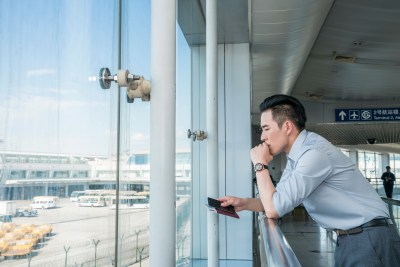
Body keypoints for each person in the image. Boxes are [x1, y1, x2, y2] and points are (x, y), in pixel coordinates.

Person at [219, 94, 400, 266]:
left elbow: (274, 210)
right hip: (352, 237)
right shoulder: (297, 156)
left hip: (369, 237)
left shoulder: (313, 153)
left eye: (266, 129)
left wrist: (260, 164)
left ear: (287, 127)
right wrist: (243, 203)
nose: (262, 137)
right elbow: (277, 200)